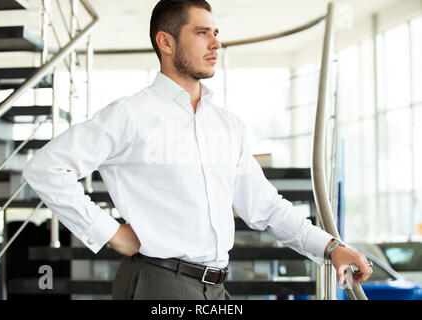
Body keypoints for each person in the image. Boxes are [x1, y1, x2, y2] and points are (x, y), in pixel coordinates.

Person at [22, 0, 373, 300]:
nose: (216, 43)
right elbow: (46, 168)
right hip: (157, 282)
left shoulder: (227, 125)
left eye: (216, 33)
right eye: (202, 32)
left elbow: (266, 207)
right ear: (166, 42)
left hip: (216, 287)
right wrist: (109, 232)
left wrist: (331, 248)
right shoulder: (131, 114)